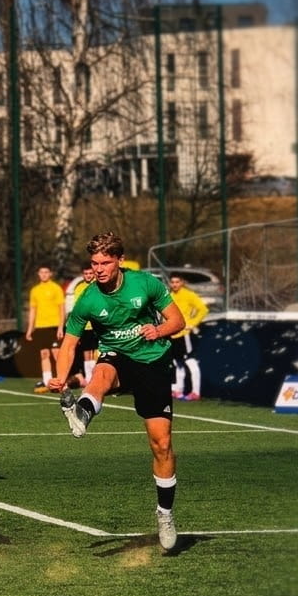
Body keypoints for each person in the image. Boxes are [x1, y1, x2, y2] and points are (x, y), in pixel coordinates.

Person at [48, 232, 186, 553]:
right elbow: (69, 343)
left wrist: (158, 330)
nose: (98, 269)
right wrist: (60, 377)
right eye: (94, 263)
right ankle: (82, 412)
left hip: (152, 360)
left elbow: (177, 320)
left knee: (162, 444)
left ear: (120, 261)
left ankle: (165, 514)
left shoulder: (145, 283)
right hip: (116, 355)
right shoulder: (88, 299)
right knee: (102, 372)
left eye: (105, 263)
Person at [167, 273, 210, 401]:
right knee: (177, 362)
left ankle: (195, 392)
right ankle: (178, 390)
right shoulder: (170, 296)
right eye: (172, 282)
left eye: (177, 282)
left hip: (184, 334)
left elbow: (203, 310)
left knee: (190, 361)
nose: (175, 284)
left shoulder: (189, 295)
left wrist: (192, 323)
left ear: (182, 283)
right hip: (173, 334)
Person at [25, 265, 65, 393]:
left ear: (50, 273)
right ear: (38, 274)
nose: (44, 274)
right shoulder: (35, 290)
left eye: (46, 272)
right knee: (44, 354)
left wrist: (61, 327)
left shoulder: (56, 288)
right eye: (41, 272)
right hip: (40, 327)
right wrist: (30, 329)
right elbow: (32, 310)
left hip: (54, 326)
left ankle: (61, 381)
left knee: (57, 354)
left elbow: (62, 309)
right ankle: (48, 382)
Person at [63, 265, 99, 386]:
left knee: (97, 352)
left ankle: (98, 377)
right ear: (83, 275)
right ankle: (89, 378)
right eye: (86, 273)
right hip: (86, 325)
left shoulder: (99, 285)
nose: (88, 276)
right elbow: (77, 307)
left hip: (98, 324)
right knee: (87, 352)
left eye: (90, 273)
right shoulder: (79, 288)